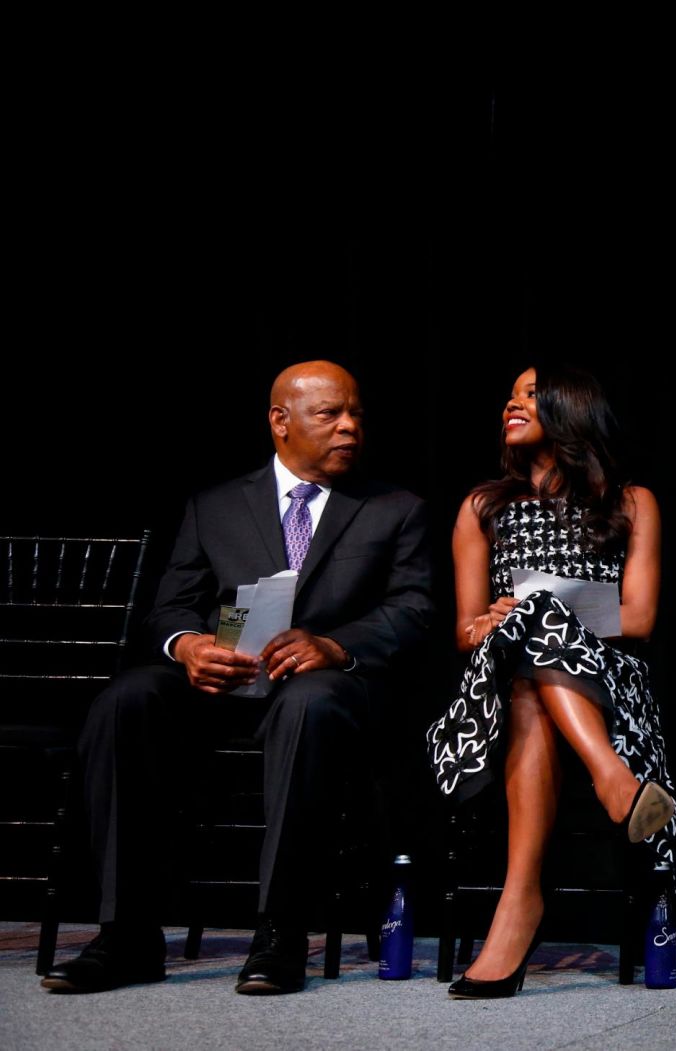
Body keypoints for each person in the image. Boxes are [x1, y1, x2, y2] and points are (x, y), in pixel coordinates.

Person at [43, 361, 433, 996]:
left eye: (356, 413)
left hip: (322, 690)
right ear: (281, 422)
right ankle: (127, 933)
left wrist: (334, 644)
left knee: (309, 703)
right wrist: (189, 643)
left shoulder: (394, 509)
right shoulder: (216, 506)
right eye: (330, 414)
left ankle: (281, 934)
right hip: (226, 681)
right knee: (128, 699)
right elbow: (169, 608)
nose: (349, 427)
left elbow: (414, 610)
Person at [426, 365, 676, 1000]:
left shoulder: (631, 501)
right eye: (509, 394)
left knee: (536, 632)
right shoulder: (483, 507)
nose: (512, 403)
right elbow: (463, 631)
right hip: (501, 679)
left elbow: (639, 617)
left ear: (571, 408)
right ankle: (615, 781)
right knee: (523, 663)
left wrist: (545, 614)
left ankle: (520, 905)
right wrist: (490, 622)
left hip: (610, 680)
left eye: (530, 395)